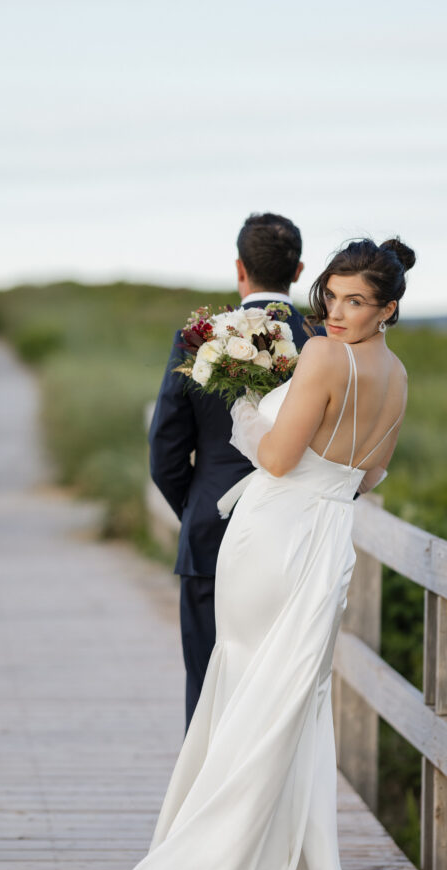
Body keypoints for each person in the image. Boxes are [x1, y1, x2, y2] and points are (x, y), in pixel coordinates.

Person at [0, 236, 413, 870]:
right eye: (331, 298)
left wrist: (249, 407)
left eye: (356, 301)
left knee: (243, 696)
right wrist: (321, 483)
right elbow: (370, 475)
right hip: (326, 540)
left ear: (387, 307)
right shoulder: (397, 373)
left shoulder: (320, 358)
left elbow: (272, 459)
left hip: (272, 536)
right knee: (291, 709)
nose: (336, 313)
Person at [148, 212, 325, 732]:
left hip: (209, 537)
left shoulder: (200, 336)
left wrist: (200, 504)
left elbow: (165, 451)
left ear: (240, 269)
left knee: (207, 691)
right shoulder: (321, 344)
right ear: (298, 270)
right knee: (278, 695)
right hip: (293, 540)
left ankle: (204, 809)